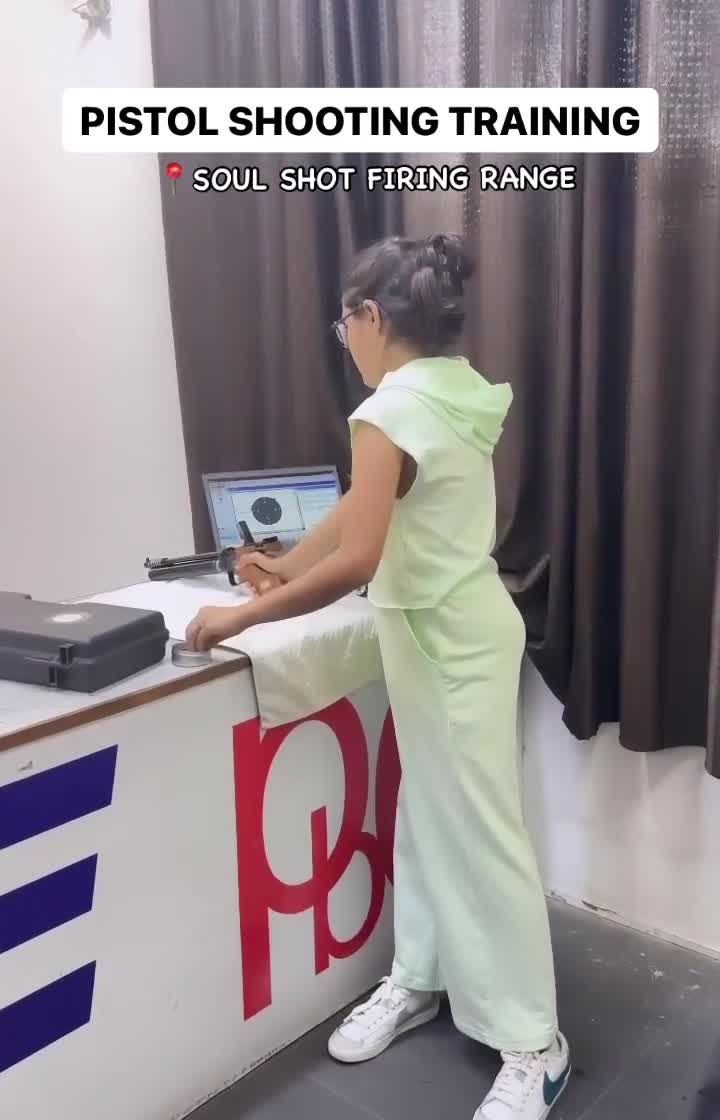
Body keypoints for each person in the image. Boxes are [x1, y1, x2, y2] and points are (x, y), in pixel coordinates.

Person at [186, 234, 570, 1120]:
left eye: (345, 326)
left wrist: (243, 616)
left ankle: (536, 1043)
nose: (345, 342)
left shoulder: (391, 408)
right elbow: (362, 512)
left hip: (450, 640)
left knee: (482, 836)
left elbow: (358, 556)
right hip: (451, 630)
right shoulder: (454, 387)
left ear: (369, 317)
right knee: (425, 815)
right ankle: (420, 975)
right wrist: (283, 567)